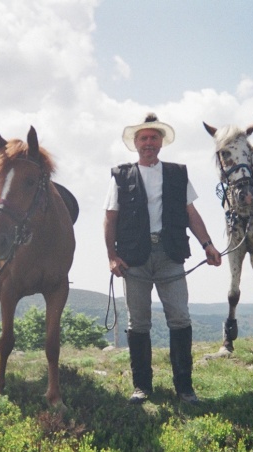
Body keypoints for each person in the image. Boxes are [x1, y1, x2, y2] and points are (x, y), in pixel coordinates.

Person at [104, 113, 222, 404]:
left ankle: (185, 388)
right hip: (134, 258)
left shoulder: (177, 173)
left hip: (170, 254)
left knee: (180, 318)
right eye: (143, 138)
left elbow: (191, 214)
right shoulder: (121, 175)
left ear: (161, 143)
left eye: (153, 137)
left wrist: (207, 244)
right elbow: (110, 218)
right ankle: (142, 387)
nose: (149, 142)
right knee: (138, 322)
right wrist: (112, 257)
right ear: (135, 143)